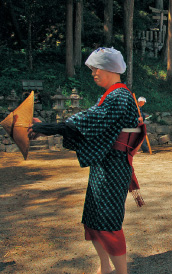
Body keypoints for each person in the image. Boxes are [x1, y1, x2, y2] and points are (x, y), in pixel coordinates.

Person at [29, 47, 142, 274]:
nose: (93, 73)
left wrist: (50, 128)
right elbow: (89, 122)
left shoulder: (119, 96)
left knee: (108, 221)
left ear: (109, 69)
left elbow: (88, 120)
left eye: (96, 68)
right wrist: (49, 128)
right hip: (105, 164)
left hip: (114, 166)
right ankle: (104, 267)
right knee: (93, 219)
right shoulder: (111, 95)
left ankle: (121, 272)